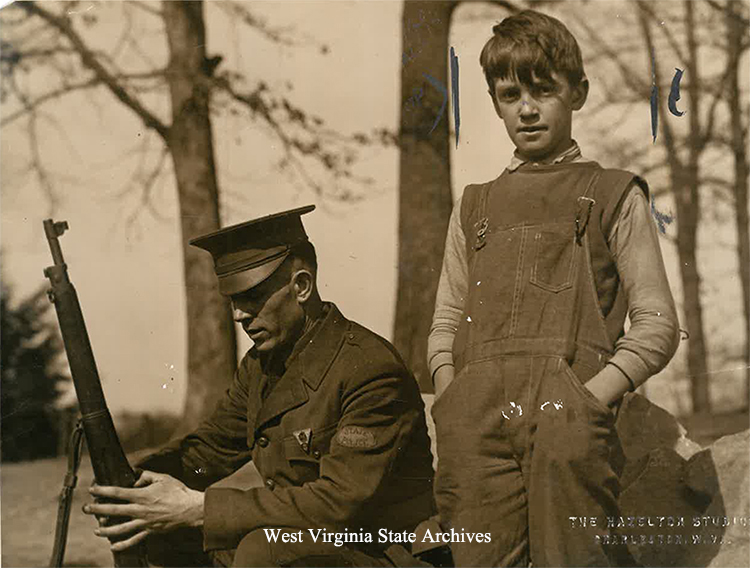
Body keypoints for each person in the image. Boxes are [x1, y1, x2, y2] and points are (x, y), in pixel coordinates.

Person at [427, 10, 680, 567]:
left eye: (544, 90)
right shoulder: (475, 205)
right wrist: (453, 400)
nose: (528, 109)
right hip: (476, 431)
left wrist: (589, 400)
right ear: (494, 101)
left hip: (569, 424)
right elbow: (446, 322)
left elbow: (658, 326)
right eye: (510, 93)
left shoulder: (612, 194)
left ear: (579, 93)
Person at [84, 205, 436, 567]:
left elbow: (338, 502)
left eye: (251, 296)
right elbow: (212, 449)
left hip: (383, 550)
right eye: (234, 300)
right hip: (306, 543)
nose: (238, 314)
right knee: (161, 535)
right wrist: (130, 483)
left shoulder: (369, 368)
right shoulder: (260, 366)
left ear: (301, 286)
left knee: (260, 550)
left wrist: (198, 508)